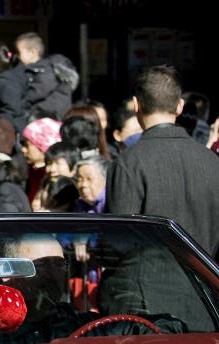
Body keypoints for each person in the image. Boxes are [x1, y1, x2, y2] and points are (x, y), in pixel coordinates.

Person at [106, 64, 219, 260]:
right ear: (180, 106)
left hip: (144, 277)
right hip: (203, 276)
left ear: (136, 105)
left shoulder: (128, 162)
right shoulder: (211, 160)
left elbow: (119, 240)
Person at [15, 32, 79, 120]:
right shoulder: (40, 69)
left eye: (19, 52)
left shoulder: (45, 70)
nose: (18, 56)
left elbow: (38, 91)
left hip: (50, 115)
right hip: (51, 114)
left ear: (32, 53)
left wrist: (21, 100)